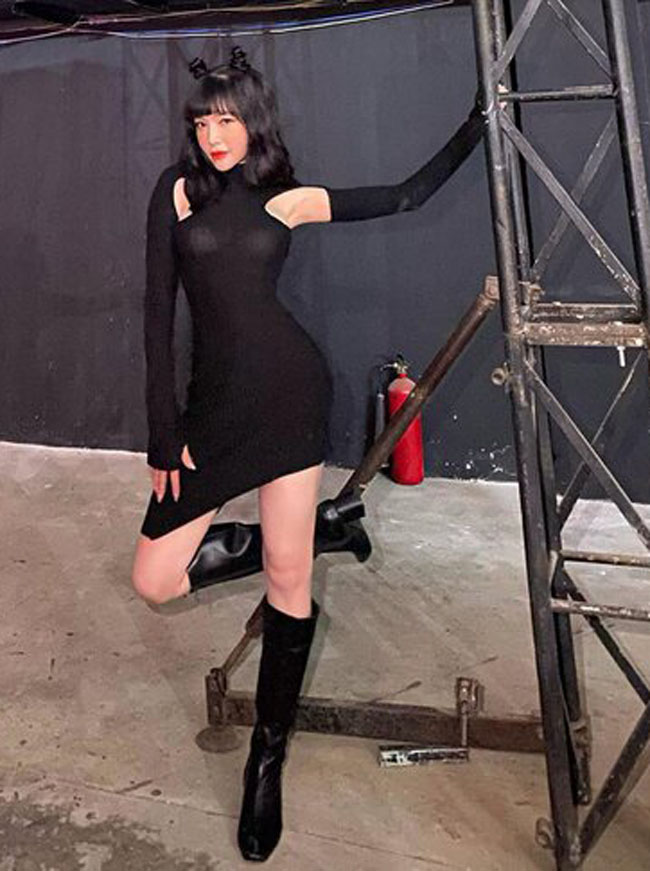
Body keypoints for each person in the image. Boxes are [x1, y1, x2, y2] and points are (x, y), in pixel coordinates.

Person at [130, 45, 485, 863]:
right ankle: (326, 527)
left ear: (254, 123)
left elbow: (402, 195)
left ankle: (267, 758)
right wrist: (163, 427)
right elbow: (155, 310)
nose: (214, 136)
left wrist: (476, 126)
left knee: (288, 581)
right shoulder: (176, 191)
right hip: (212, 410)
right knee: (155, 578)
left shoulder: (285, 198)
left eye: (227, 121)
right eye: (202, 123)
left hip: (289, 397)